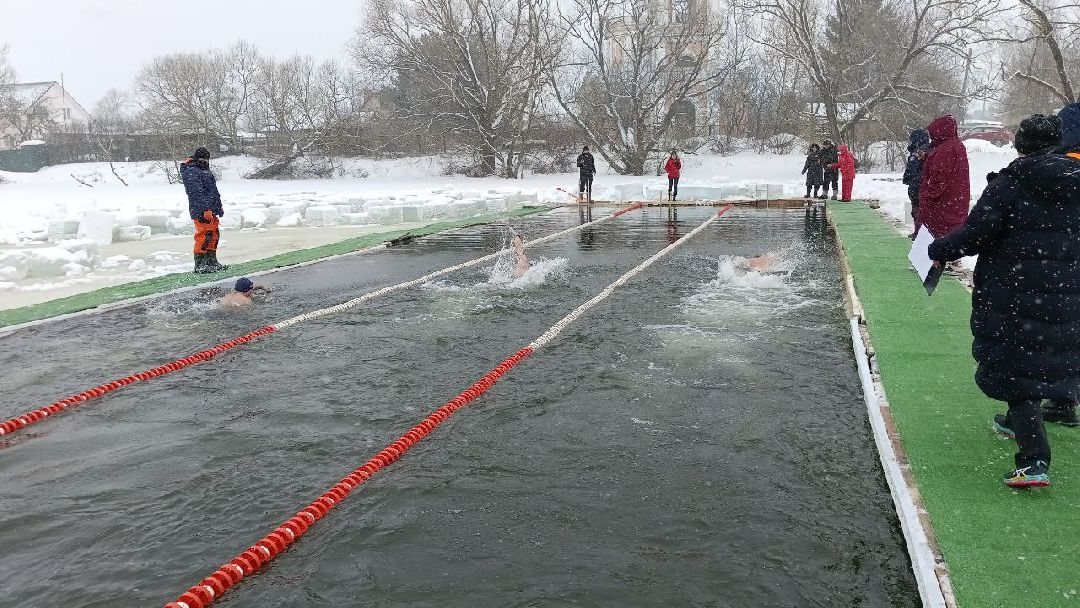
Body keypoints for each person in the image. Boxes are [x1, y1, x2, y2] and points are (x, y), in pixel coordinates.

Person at [927, 114, 1080, 487]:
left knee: (1016, 369)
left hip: (1016, 291)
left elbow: (977, 233)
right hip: (1066, 291)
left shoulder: (1011, 184)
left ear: (1021, 145)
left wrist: (939, 248)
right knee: (1048, 357)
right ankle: (1027, 421)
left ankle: (1034, 461)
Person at [915, 115, 970, 240]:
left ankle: (940, 259)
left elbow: (939, 180)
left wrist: (926, 196)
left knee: (936, 243)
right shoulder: (956, 145)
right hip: (955, 203)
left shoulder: (945, 150)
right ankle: (950, 258)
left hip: (942, 207)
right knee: (950, 240)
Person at [181, 147, 228, 273]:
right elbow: (196, 193)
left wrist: (218, 206)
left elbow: (213, 191)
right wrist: (205, 209)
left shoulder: (205, 170)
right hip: (201, 210)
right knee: (204, 235)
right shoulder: (191, 171)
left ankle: (211, 261)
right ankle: (200, 264)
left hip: (211, 209)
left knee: (214, 235)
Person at [902, 129, 931, 235]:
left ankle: (920, 234)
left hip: (919, 186)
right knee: (918, 212)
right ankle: (918, 233)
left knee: (919, 212)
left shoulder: (921, 152)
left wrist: (911, 179)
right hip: (918, 186)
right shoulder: (922, 150)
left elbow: (915, 170)